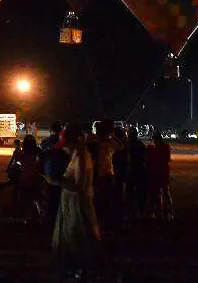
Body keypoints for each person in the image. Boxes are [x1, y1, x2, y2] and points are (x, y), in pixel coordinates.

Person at [46, 128, 101, 281]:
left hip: (77, 204)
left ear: (74, 143)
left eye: (66, 145)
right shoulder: (77, 155)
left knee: (78, 236)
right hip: (71, 203)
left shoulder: (81, 158)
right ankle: (78, 268)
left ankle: (83, 269)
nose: (64, 148)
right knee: (74, 236)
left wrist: (56, 181)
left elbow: (80, 186)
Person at [89, 120, 119, 233]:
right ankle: (101, 226)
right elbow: (120, 146)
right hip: (103, 175)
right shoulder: (99, 143)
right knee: (102, 202)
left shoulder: (101, 143)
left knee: (102, 202)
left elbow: (120, 147)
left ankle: (101, 226)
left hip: (103, 175)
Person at [147, 130, 173, 222]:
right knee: (164, 191)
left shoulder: (157, 148)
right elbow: (167, 159)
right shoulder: (165, 147)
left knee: (161, 192)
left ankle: (163, 212)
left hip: (159, 172)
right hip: (163, 172)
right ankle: (167, 212)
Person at [125, 127, 149, 223]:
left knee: (131, 194)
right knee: (140, 194)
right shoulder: (140, 145)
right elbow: (145, 158)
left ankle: (132, 213)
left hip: (132, 171)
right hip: (139, 170)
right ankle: (140, 212)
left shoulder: (127, 145)